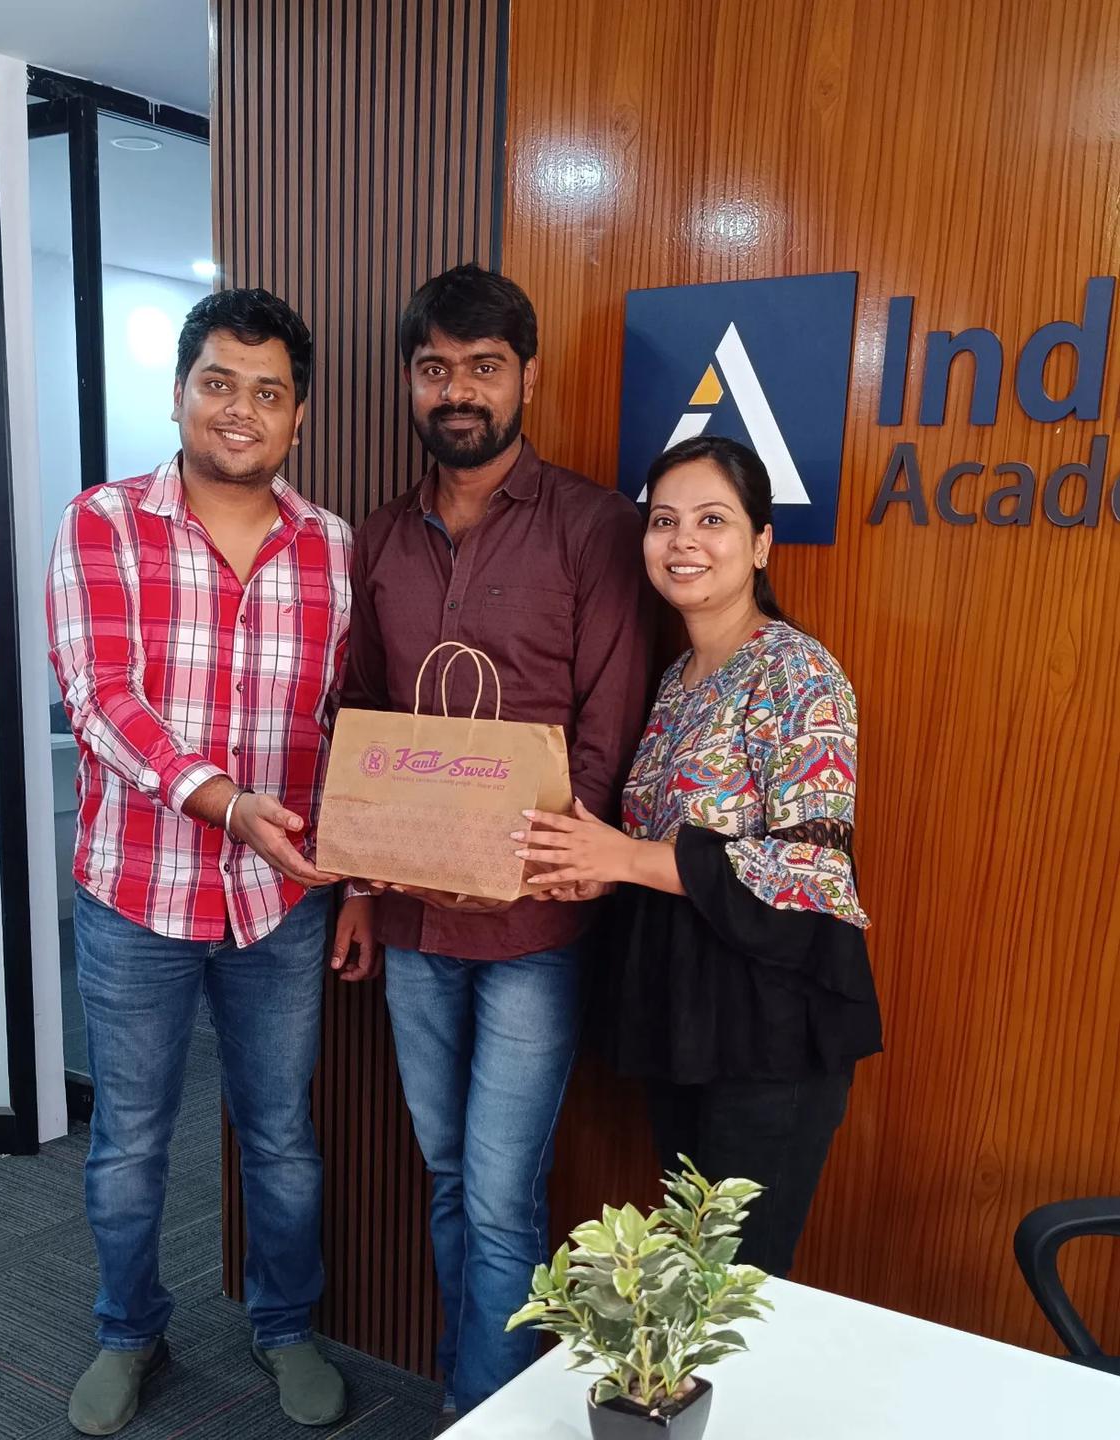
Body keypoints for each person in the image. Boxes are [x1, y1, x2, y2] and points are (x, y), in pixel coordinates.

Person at [47, 288, 377, 1435]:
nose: (242, 410)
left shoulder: (332, 546)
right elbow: (100, 697)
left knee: (279, 1136)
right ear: (181, 392)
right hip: (134, 890)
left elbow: (349, 728)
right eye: (219, 384)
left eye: (268, 392)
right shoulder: (104, 521)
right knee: (131, 1142)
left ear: (298, 416)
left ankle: (284, 1326)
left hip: (280, 903)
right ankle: (128, 1330)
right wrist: (226, 804)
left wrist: (359, 882)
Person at [342, 264, 652, 1424]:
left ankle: (479, 1413)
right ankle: (472, 1392)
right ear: (410, 383)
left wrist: (519, 865)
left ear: (528, 377)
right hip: (411, 923)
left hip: (533, 930)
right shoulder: (380, 538)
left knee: (497, 1198)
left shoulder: (594, 527)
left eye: (482, 366)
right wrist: (360, 891)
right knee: (445, 1175)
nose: (457, 390)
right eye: (435, 369)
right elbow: (359, 720)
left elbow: (608, 730)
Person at [513, 434, 883, 1278]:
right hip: (682, 1009)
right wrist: (594, 866)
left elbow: (810, 869)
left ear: (760, 543)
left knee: (732, 1283)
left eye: (712, 520)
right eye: (663, 521)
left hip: (768, 1022)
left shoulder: (796, 671)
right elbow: (658, 849)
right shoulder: (677, 675)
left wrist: (623, 857)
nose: (682, 540)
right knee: (690, 1270)